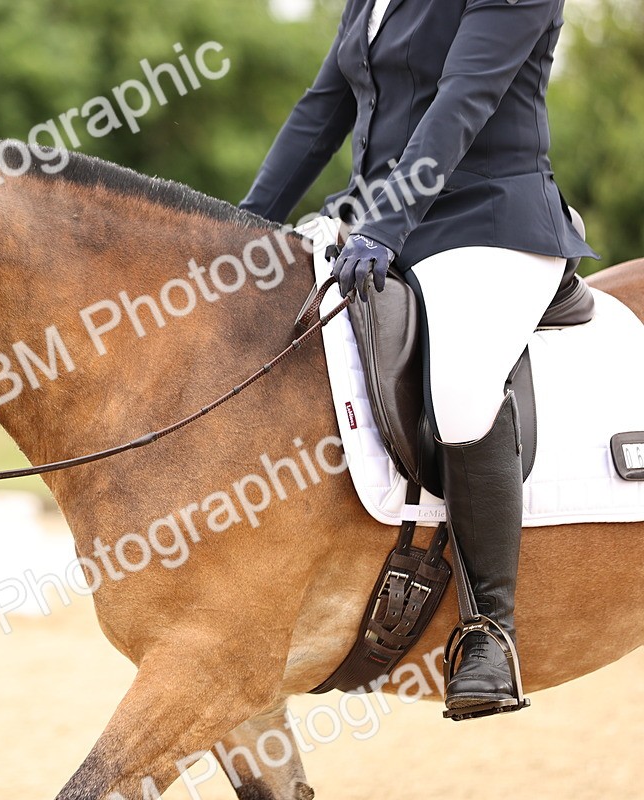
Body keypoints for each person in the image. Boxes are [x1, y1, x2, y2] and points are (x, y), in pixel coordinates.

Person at [240, 0, 596, 716]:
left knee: (463, 386)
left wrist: (387, 225)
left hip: (488, 221)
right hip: (377, 218)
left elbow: (465, 96)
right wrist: (235, 231)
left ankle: (490, 631)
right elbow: (322, 108)